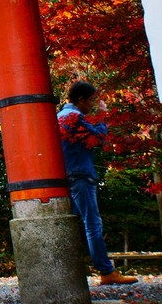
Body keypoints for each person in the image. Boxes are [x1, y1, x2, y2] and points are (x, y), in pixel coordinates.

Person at [58, 81, 138, 286]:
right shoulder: (75, 117)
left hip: (65, 175)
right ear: (81, 99)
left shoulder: (59, 117)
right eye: (92, 100)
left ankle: (69, 271)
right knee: (92, 223)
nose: (93, 105)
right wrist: (103, 117)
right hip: (80, 174)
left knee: (71, 223)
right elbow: (100, 139)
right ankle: (106, 271)